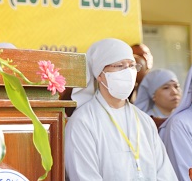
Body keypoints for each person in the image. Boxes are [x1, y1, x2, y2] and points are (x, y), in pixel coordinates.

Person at [64, 38, 177, 180]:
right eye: (119, 66)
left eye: (132, 66)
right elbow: (84, 176)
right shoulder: (82, 122)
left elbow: (165, 173)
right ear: (100, 74)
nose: (128, 72)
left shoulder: (144, 121)